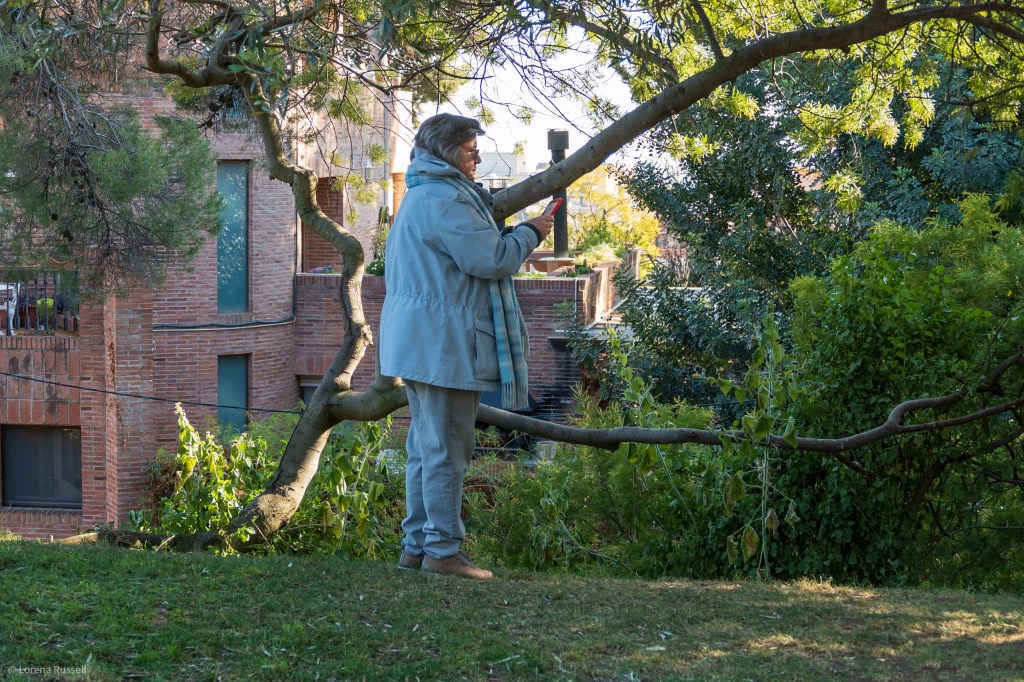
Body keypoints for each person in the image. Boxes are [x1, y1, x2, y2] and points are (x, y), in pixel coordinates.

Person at [378, 113, 554, 579]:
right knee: (447, 450)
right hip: (444, 345)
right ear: (448, 151)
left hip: (419, 342)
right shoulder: (447, 199)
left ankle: (416, 547)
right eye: (471, 150)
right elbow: (491, 259)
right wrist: (531, 232)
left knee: (426, 448)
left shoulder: (421, 193)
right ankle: (442, 552)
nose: (477, 158)